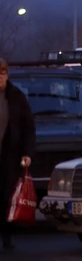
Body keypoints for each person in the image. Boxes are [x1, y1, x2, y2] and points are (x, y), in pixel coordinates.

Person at [0, 58, 35, 250]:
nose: (0, 77)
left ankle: (7, 235)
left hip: (9, 155)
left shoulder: (15, 97)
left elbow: (28, 128)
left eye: (2, 73)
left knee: (6, 195)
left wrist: (27, 153)